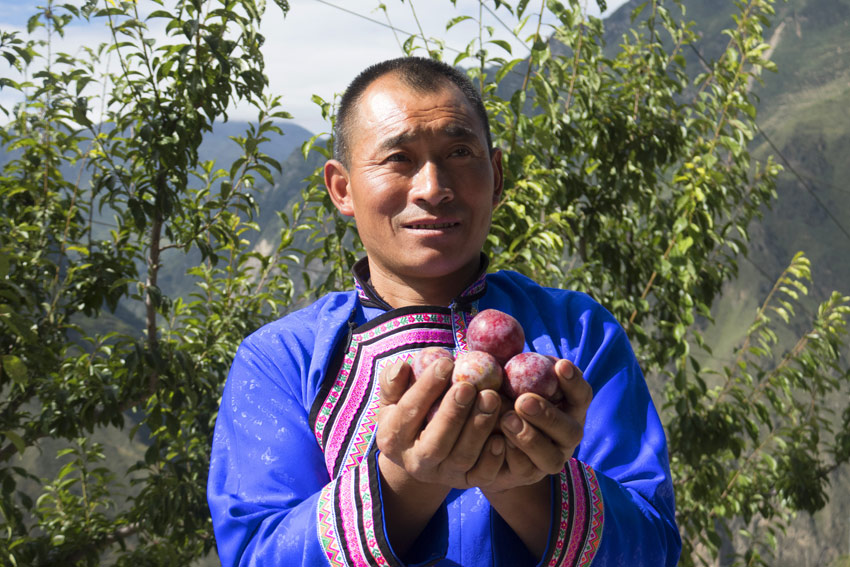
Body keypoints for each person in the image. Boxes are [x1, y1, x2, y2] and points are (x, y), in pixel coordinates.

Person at [207, 56, 681, 566]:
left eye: (459, 151)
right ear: (342, 189)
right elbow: (256, 553)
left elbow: (651, 547)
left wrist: (528, 486)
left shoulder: (580, 334)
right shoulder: (281, 360)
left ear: (496, 177)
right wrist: (406, 479)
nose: (432, 187)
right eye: (398, 158)